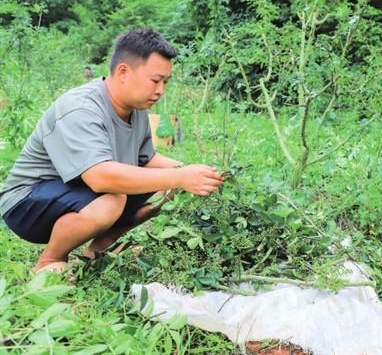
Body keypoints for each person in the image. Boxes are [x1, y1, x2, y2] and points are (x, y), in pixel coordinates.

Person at [0, 28, 224, 274]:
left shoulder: (136, 111)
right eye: (155, 80)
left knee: (166, 185)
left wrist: (193, 173)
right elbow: (100, 178)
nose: (160, 90)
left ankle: (99, 250)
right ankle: (49, 262)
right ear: (123, 72)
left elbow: (147, 160)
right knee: (112, 198)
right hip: (26, 203)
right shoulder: (81, 108)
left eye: (165, 82)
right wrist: (181, 177)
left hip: (75, 193)